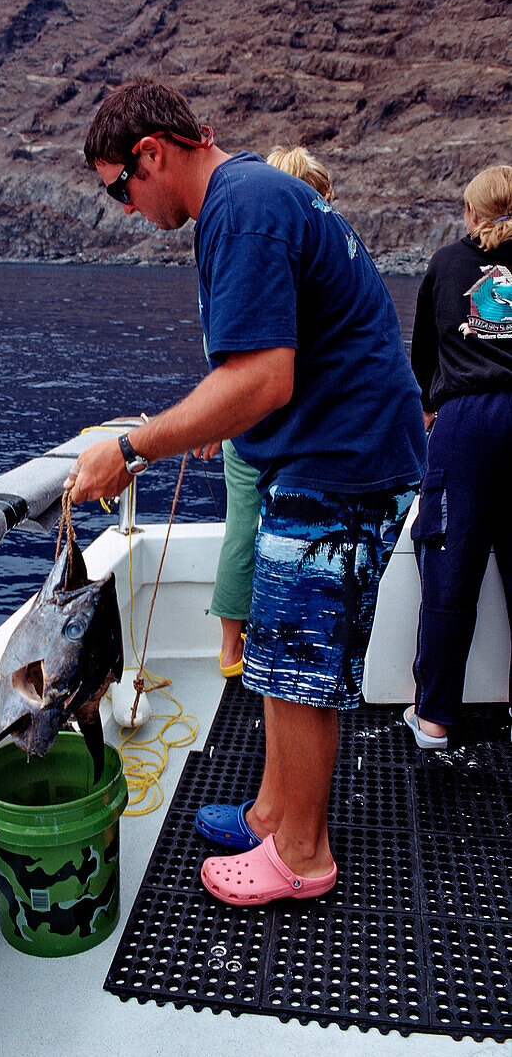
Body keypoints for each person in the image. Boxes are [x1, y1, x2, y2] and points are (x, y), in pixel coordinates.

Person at [65, 77, 427, 905]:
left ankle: (301, 855)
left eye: (121, 187)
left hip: (343, 460)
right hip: (335, 451)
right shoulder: (255, 192)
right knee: (277, 652)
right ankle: (272, 812)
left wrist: (129, 450)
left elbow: (262, 377)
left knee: (300, 664)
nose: (126, 209)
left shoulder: (243, 208)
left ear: (152, 154)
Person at [212, 145, 336, 681]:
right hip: (287, 429)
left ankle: (229, 649)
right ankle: (274, 646)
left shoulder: (247, 247)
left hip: (242, 426)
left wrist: (211, 415)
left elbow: (233, 346)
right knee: (283, 530)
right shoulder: (305, 252)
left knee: (243, 527)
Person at [406, 165, 512, 749]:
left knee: (450, 569)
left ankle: (436, 719)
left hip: (466, 422)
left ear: (472, 213)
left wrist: (428, 407)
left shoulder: (448, 264)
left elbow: (423, 355)